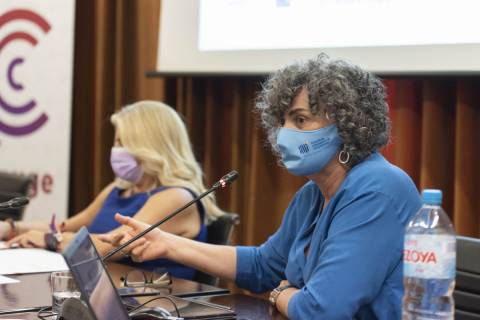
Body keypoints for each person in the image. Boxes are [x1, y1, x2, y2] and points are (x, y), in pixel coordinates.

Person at [100, 55, 422, 319]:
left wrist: (281, 294)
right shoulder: (312, 194)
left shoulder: (378, 189)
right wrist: (168, 243)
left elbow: (322, 311)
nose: (283, 134)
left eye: (299, 120)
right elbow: (263, 266)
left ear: (348, 123)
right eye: (281, 121)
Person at [0, 100, 224, 279]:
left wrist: (51, 239)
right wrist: (12, 228)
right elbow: (68, 225)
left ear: (150, 146)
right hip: (107, 291)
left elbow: (111, 246)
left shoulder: (177, 196)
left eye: (122, 142)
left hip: (154, 303)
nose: (115, 150)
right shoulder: (119, 189)